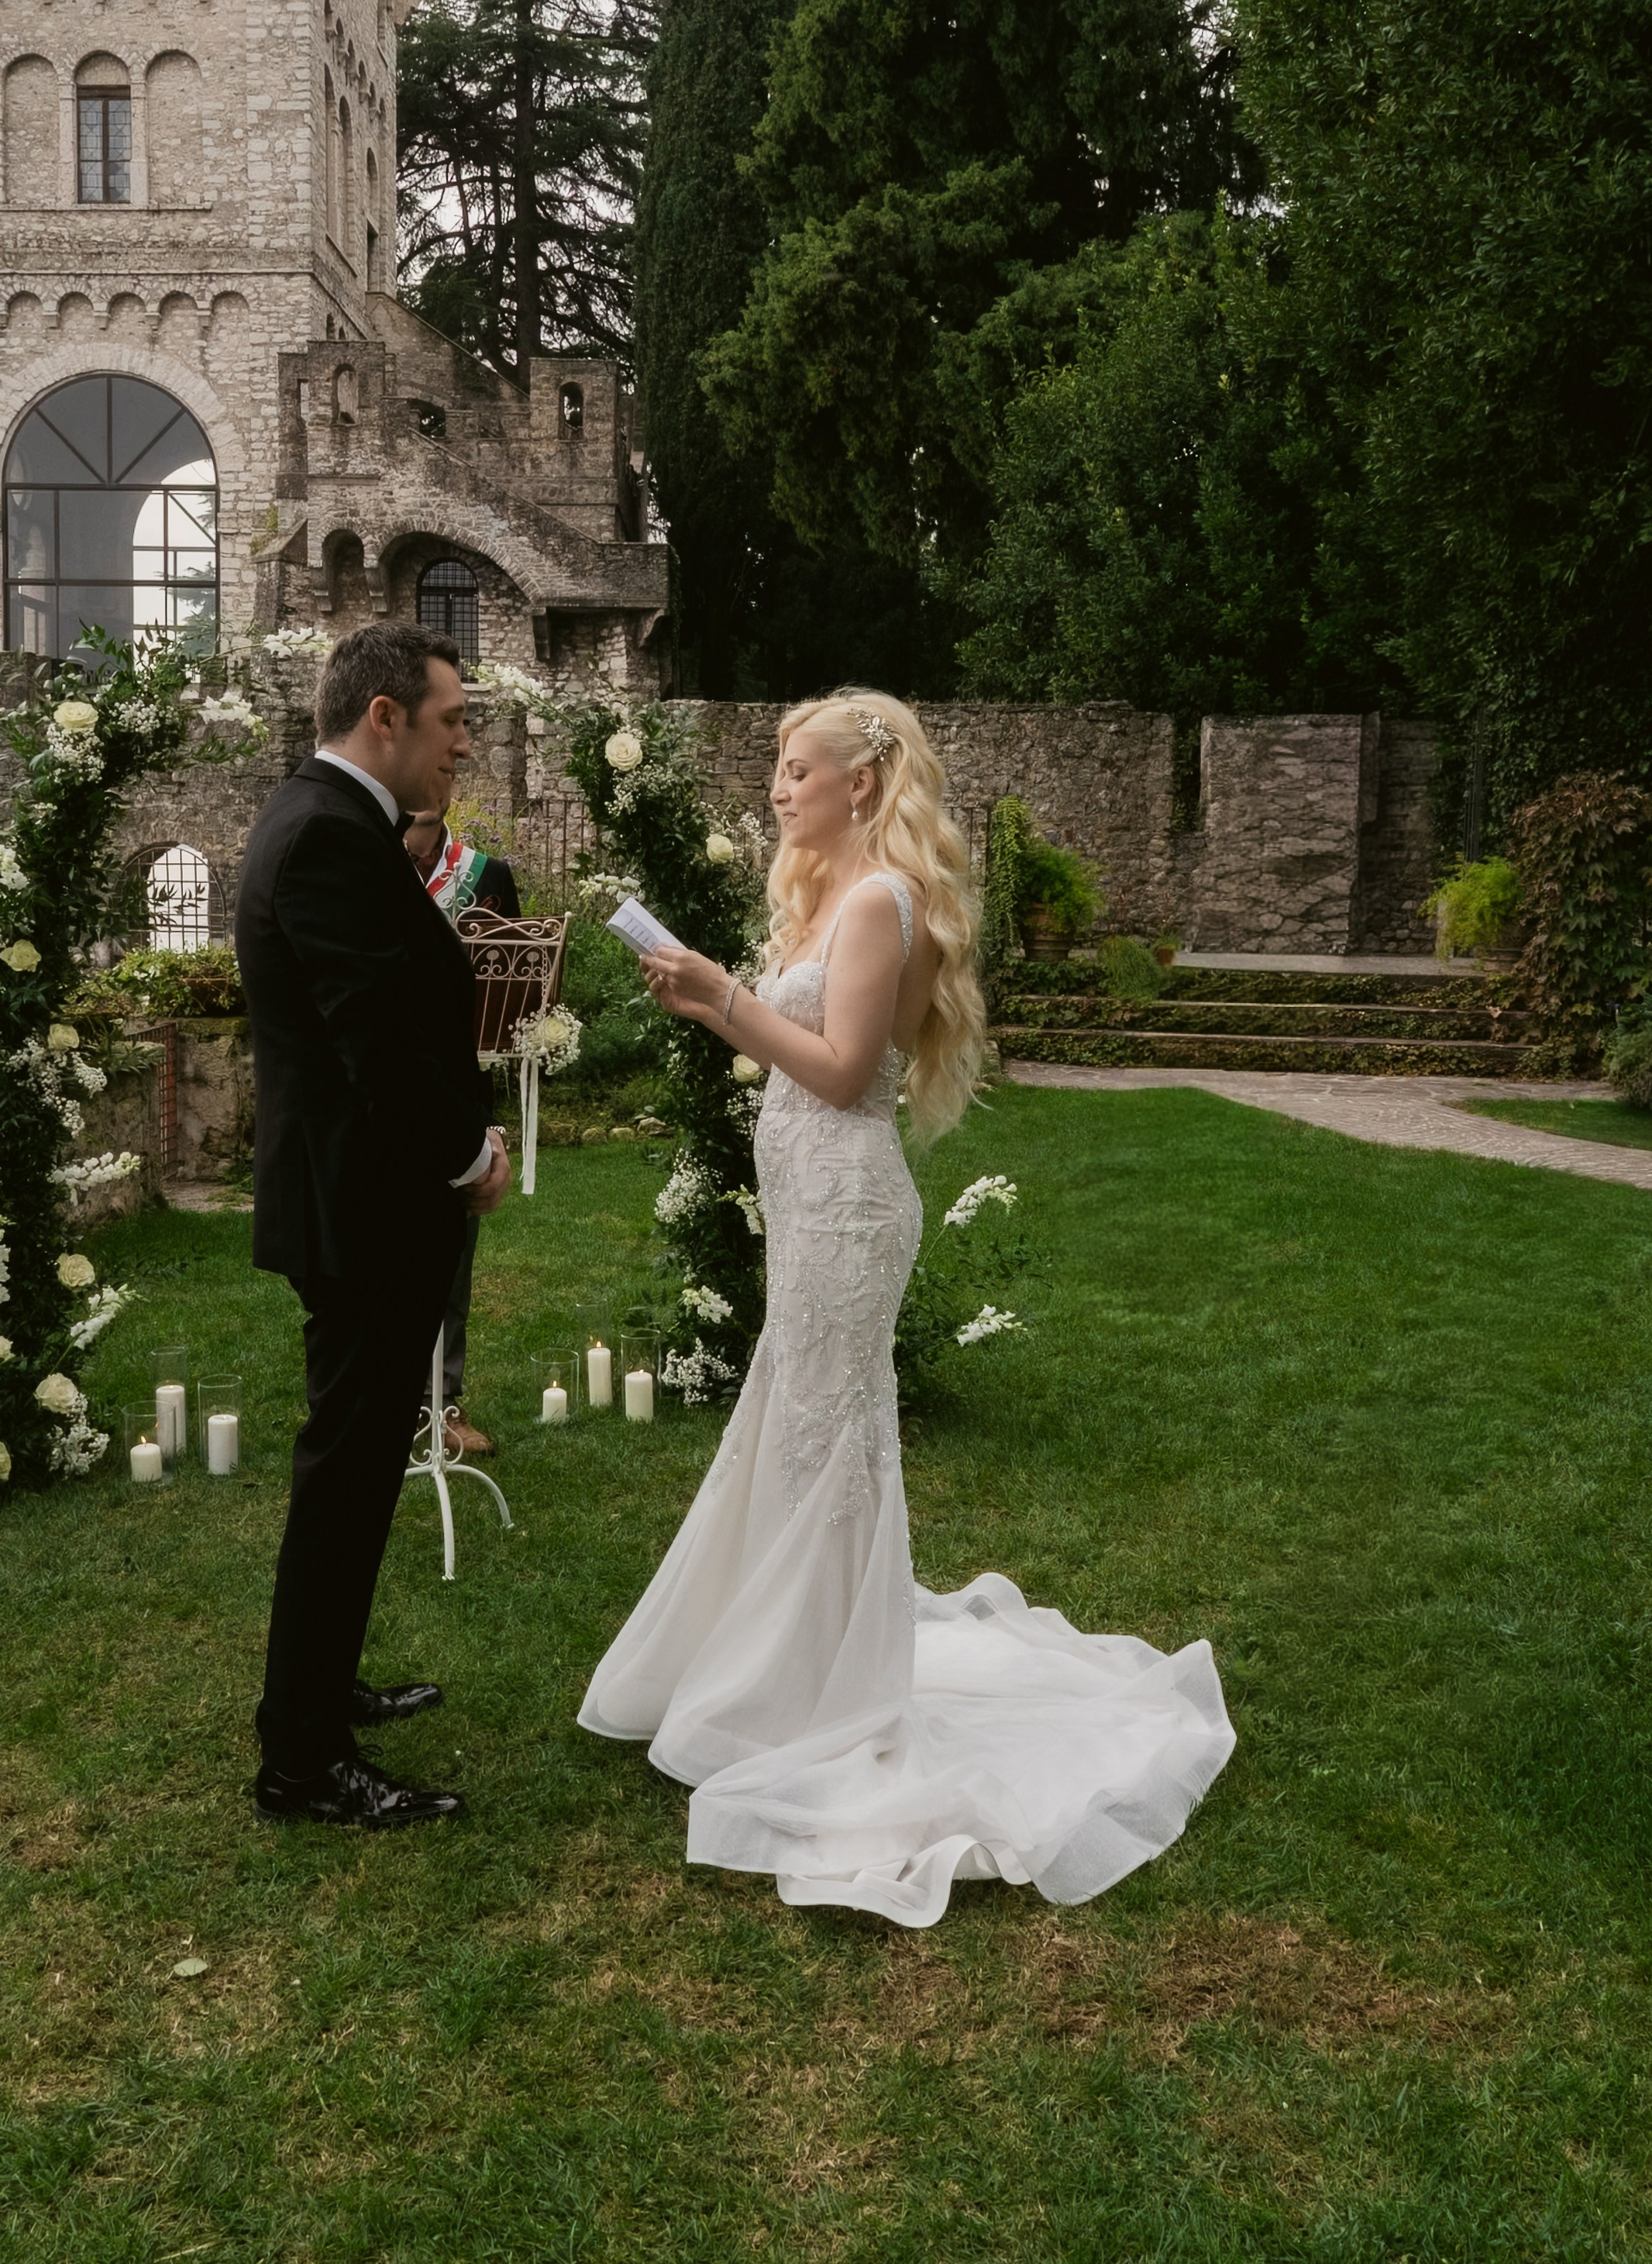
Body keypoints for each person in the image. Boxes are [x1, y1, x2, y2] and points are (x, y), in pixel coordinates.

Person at [577, 691, 1234, 1926]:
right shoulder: (833, 893)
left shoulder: (880, 902)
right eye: (777, 767)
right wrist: (717, 999)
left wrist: (724, 996)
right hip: (812, 1196)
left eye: (797, 767)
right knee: (803, 1426)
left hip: (846, 1206)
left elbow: (836, 1074)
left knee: (831, 1439)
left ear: (863, 784)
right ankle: (784, 1670)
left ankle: (825, 1696)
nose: (778, 786)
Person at [235, 623, 511, 1830]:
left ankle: (319, 1693)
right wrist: (470, 1150)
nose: (465, 743)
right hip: (365, 1208)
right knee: (345, 1478)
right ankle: (299, 1764)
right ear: (386, 716)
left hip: (359, 1200)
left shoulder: (327, 821)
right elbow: (376, 1049)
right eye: (452, 720)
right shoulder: (328, 839)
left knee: (349, 1472)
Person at [401, 805, 521, 1458]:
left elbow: (509, 1007)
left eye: (424, 858)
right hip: (381, 1091)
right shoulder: (362, 868)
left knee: (454, 1255)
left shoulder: (486, 875)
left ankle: (443, 1403)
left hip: (455, 1095)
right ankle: (385, 1406)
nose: (420, 864)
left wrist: (492, 1116)